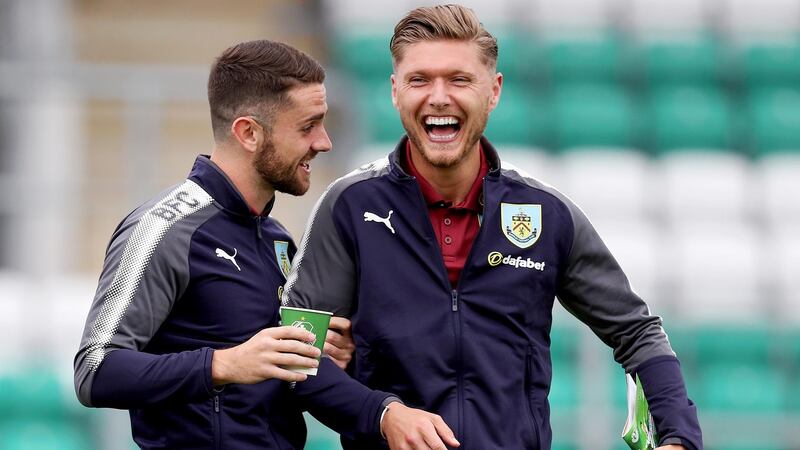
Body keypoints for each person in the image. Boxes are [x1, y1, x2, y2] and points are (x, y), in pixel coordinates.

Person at [282, 5, 703, 450]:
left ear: (494, 90)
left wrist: (678, 436)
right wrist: (383, 414)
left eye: (459, 80)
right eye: (419, 80)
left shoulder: (546, 214)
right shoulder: (348, 206)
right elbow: (293, 357)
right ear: (395, 90)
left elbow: (636, 333)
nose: (439, 97)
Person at [74, 39, 457, 450]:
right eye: (308, 126)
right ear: (249, 133)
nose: (324, 142)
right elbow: (95, 370)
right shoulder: (163, 229)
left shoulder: (278, 241)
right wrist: (223, 364)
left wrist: (383, 410)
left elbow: (297, 377)